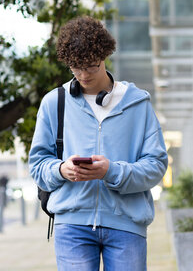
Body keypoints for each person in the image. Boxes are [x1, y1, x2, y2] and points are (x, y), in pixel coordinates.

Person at [29, 16, 168, 271]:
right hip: (72, 226)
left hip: (127, 224)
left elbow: (156, 165)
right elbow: (38, 165)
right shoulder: (54, 103)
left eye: (91, 66)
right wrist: (62, 170)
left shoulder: (137, 104)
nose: (83, 75)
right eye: (75, 67)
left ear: (104, 57)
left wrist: (111, 171)